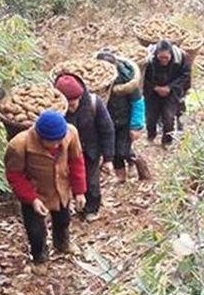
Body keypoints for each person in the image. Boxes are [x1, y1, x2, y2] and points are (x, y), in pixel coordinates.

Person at [4, 110, 86, 263]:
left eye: (58, 141)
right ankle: (40, 257)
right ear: (40, 136)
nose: (56, 145)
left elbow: (76, 161)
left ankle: (62, 243)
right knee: (35, 231)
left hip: (60, 189)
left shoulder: (71, 133)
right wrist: (31, 198)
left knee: (63, 220)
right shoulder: (20, 145)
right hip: (35, 192)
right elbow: (14, 175)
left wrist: (79, 191)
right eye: (51, 142)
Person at [53, 73, 115, 220]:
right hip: (65, 152)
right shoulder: (55, 110)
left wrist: (108, 158)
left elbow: (107, 129)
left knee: (91, 181)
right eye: (69, 103)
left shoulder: (94, 103)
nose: (73, 106)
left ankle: (91, 208)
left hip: (90, 149)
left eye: (75, 102)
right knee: (64, 181)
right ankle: (67, 209)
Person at [96, 49, 151, 183]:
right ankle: (121, 176)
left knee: (123, 150)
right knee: (112, 151)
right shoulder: (97, 82)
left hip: (124, 120)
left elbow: (137, 102)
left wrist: (136, 126)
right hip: (107, 123)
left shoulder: (126, 79)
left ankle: (136, 162)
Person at [143, 39, 191, 148]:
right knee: (150, 117)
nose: (163, 60)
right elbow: (142, 77)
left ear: (171, 54)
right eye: (161, 57)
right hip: (152, 91)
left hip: (172, 90)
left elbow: (185, 75)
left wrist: (170, 87)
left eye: (166, 58)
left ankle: (167, 140)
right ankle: (151, 135)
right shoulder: (149, 60)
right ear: (156, 55)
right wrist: (155, 87)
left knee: (168, 116)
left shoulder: (181, 58)